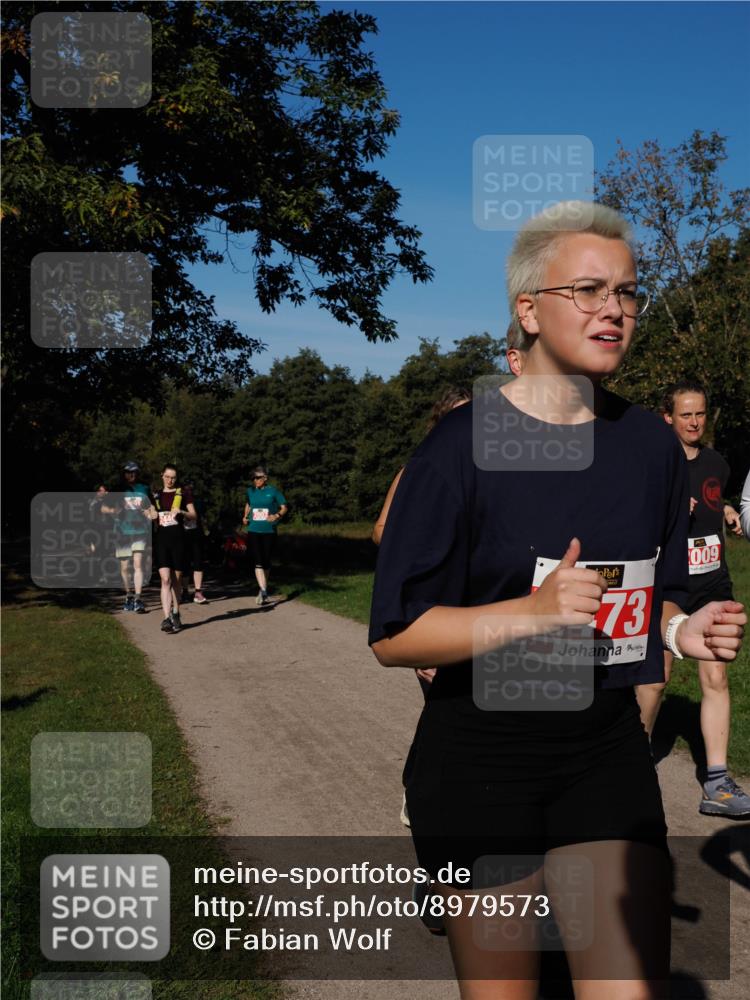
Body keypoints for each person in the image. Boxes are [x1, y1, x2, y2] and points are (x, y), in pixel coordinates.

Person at [369, 200, 746, 998]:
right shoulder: (459, 445)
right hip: (481, 758)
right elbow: (395, 635)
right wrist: (530, 615)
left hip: (605, 752)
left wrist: (683, 634)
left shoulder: (649, 444)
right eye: (588, 289)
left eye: (628, 292)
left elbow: (655, 592)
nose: (614, 308)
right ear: (528, 310)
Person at [635, 381, 748, 818]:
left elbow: (712, 500)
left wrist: (728, 511)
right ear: (668, 417)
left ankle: (716, 783)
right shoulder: (654, 465)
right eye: (685, 415)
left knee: (716, 681)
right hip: (668, 591)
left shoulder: (718, 461)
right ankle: (633, 767)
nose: (694, 422)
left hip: (713, 587)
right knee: (655, 681)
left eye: (700, 413)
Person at [101, 461, 153, 613]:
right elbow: (103, 507)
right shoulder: (118, 489)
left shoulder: (144, 488)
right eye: (129, 472)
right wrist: (113, 511)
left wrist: (150, 512)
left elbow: (151, 506)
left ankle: (138, 598)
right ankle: (128, 595)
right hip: (122, 533)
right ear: (124, 473)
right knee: (125, 567)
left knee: (138, 564)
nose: (132, 475)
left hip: (140, 532)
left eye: (135, 472)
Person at [152, 464, 197, 633]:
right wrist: (151, 515)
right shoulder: (156, 494)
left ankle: (176, 612)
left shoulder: (183, 493)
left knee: (176, 581)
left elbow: (194, 515)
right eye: (167, 476)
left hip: (178, 540)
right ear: (162, 476)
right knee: (165, 580)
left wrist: (183, 512)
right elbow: (151, 514)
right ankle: (166, 618)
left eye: (173, 477)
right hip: (162, 541)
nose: (170, 480)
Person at [242, 466, 287, 605]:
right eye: (253, 478)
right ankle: (263, 591)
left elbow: (284, 507)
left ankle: (263, 589)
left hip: (269, 530)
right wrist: (245, 516)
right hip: (254, 530)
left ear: (265, 478)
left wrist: (277, 515)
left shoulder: (273, 491)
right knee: (258, 561)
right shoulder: (250, 491)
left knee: (266, 562)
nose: (255, 480)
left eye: (258, 478)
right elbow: (248, 504)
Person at [181, 479, 208, 604]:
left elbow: (202, 516)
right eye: (186, 488)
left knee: (198, 562)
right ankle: (185, 591)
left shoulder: (199, 501)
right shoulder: (178, 501)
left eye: (190, 489)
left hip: (197, 535)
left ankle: (198, 591)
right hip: (182, 535)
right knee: (184, 563)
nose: (188, 491)